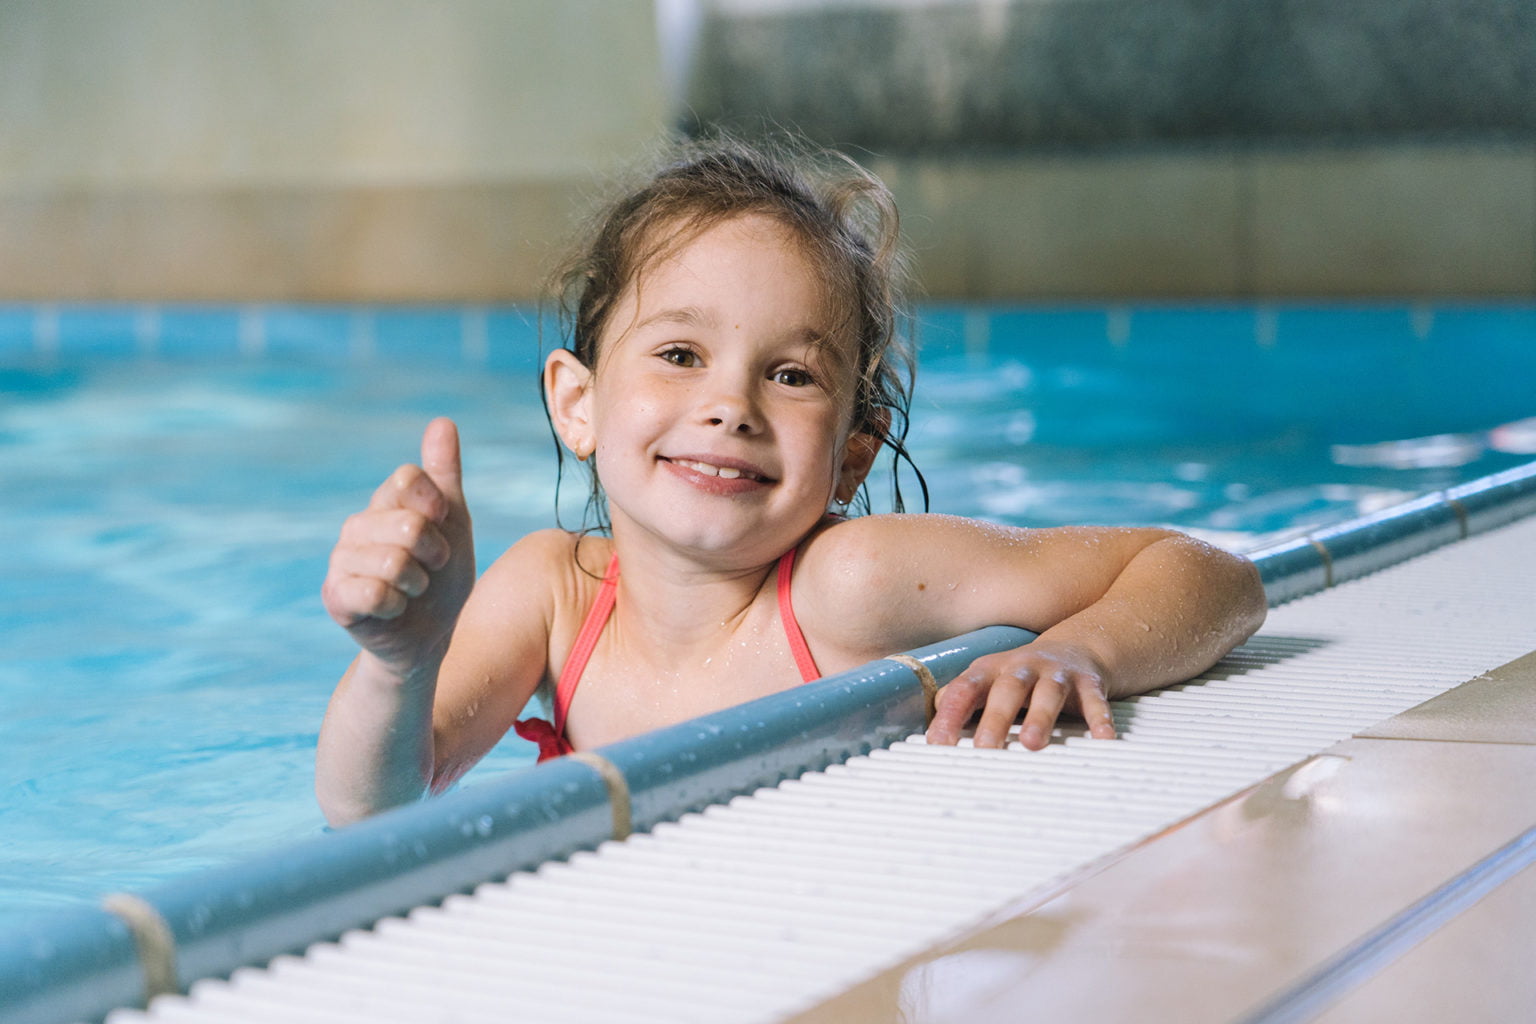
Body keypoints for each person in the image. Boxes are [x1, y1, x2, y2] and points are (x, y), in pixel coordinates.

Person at [315, 138, 1266, 827]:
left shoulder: (844, 585)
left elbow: (1208, 572)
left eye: (792, 374)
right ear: (579, 404)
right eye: (681, 352)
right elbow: (375, 805)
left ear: (852, 452)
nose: (730, 405)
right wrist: (401, 663)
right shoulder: (554, 597)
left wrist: (1081, 653)